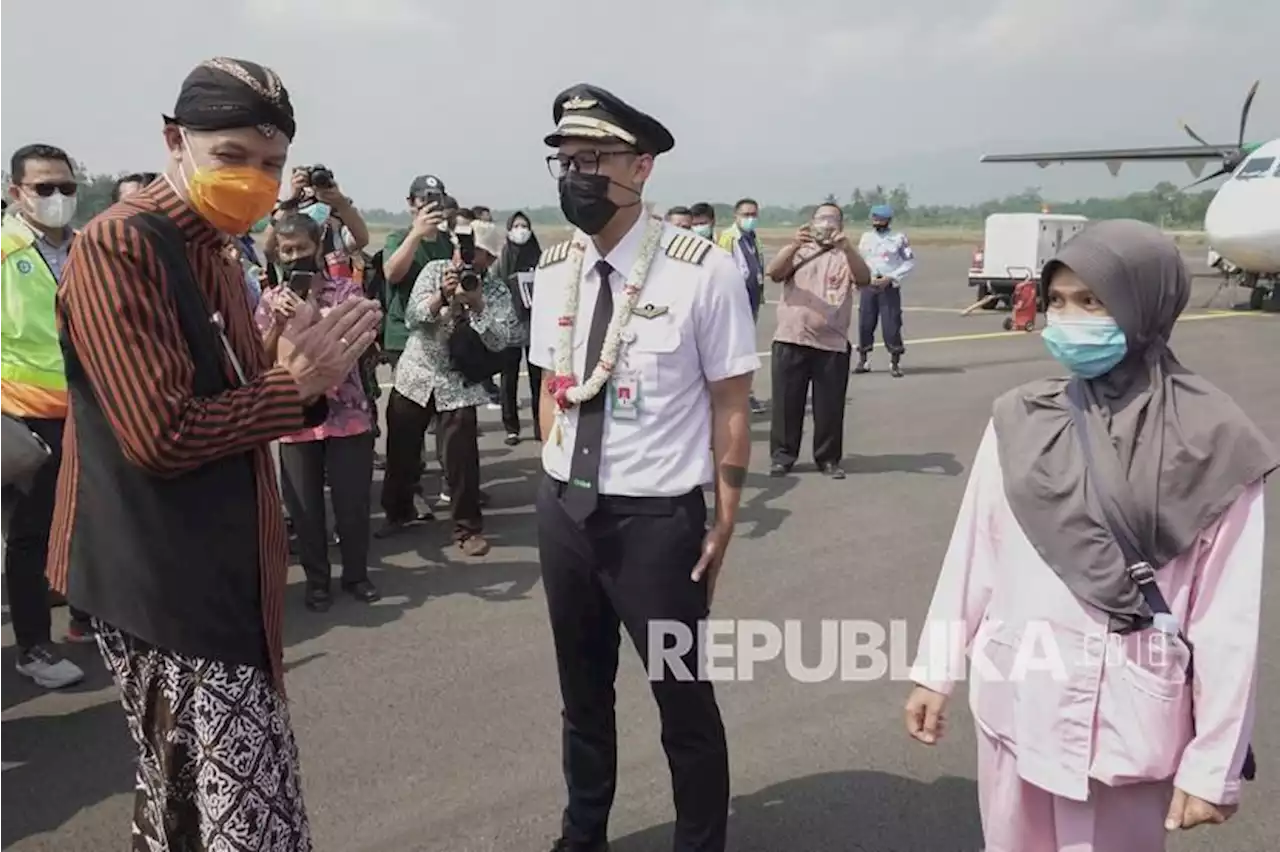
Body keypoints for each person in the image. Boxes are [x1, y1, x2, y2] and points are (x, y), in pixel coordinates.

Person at [46, 57, 382, 849]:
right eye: (232, 156)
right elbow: (162, 434)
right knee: (222, 802)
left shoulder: (219, 251)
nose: (255, 181)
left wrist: (279, 354)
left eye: (271, 165)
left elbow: (229, 385)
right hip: (165, 577)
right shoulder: (120, 249)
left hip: (225, 558)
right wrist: (298, 386)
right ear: (177, 141)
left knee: (203, 796)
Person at [904, 220, 1276, 852]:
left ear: (1145, 305)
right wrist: (935, 671)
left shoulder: (1215, 442)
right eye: (1057, 301)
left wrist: (1213, 764)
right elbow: (975, 553)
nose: (1067, 320)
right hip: (1015, 702)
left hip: (1125, 719)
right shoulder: (1021, 417)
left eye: (1092, 301)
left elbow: (1228, 621)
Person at [530, 83, 759, 852]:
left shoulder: (702, 272)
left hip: (656, 525)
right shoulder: (558, 268)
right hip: (567, 510)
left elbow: (732, 401)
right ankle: (581, 833)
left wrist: (722, 519)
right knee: (581, 698)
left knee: (682, 702)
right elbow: (548, 388)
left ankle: (699, 842)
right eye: (565, 160)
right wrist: (553, 476)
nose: (575, 176)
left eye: (592, 159)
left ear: (642, 166)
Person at [257, 212, 380, 612]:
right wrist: (277, 324)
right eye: (286, 251)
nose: (294, 258)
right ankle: (317, 581)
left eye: (302, 249)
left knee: (352, 504)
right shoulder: (271, 299)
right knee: (305, 508)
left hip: (348, 415)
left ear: (318, 249)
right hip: (296, 418)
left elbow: (358, 340)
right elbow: (261, 358)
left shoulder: (346, 291)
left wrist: (312, 317)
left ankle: (357, 575)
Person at [378, 219, 519, 555]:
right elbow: (412, 318)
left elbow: (503, 340)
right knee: (401, 453)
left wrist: (478, 305)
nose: (469, 260)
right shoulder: (433, 270)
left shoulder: (496, 290)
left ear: (490, 259)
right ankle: (398, 513)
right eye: (465, 250)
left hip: (459, 382)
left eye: (480, 255)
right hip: (417, 374)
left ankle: (467, 529)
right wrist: (442, 295)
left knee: (460, 459)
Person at [0, 144, 86, 687]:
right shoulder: (6, 251)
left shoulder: (86, 249)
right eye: (44, 188)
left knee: (82, 527)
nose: (57, 198)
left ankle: (89, 618)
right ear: (16, 193)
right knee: (30, 535)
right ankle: (33, 647)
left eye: (66, 188)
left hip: (88, 410)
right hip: (25, 416)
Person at [763, 203, 871, 479]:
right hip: (791, 337)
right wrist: (792, 246)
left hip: (831, 343)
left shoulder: (846, 255)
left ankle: (828, 459)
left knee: (830, 406)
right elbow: (775, 274)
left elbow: (864, 279)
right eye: (822, 219)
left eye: (833, 220)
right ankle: (783, 456)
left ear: (842, 226)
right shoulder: (799, 250)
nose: (827, 224)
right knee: (787, 403)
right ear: (811, 223)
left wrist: (847, 248)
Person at [494, 211, 543, 445]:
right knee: (509, 378)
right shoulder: (502, 257)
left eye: (525, 225)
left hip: (534, 325)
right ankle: (511, 426)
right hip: (510, 325)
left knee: (537, 379)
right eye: (516, 226)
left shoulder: (539, 255)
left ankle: (539, 423)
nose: (521, 230)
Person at [716, 197, 767, 413]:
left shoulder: (753, 238)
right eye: (746, 215)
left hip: (752, 300)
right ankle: (739, 395)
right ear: (736, 216)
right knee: (735, 349)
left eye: (754, 215)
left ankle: (746, 392)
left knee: (746, 348)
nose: (750, 219)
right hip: (735, 302)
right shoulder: (728, 238)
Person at [854, 203, 915, 377]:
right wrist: (859, 278)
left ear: (887, 220)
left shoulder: (898, 238)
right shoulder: (866, 238)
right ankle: (863, 359)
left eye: (880, 218)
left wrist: (891, 277)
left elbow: (909, 262)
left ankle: (895, 362)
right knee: (865, 323)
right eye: (874, 217)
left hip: (889, 286)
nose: (876, 221)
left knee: (891, 325)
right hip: (869, 285)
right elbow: (860, 260)